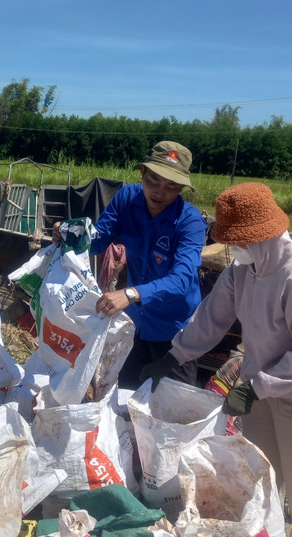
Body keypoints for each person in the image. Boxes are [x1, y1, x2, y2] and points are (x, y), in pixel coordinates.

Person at [143, 182, 292, 537]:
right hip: (261, 392)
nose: (233, 248)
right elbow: (211, 318)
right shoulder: (243, 269)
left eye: (238, 240)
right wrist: (174, 355)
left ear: (259, 234)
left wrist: (256, 387)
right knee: (257, 495)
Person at [54, 141, 205, 388]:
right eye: (153, 180)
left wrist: (130, 293)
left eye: (172, 186)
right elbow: (99, 240)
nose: (159, 192)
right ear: (142, 173)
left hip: (176, 332)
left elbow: (182, 280)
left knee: (173, 406)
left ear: (182, 189)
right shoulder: (126, 199)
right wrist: (72, 233)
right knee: (125, 396)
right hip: (134, 326)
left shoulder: (189, 222)